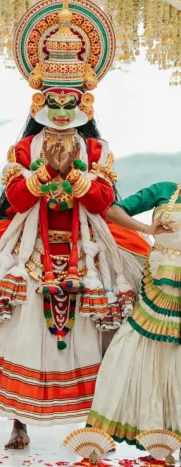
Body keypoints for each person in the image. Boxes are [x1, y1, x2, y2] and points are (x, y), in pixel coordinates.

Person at [0, 0, 149, 449]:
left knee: (92, 333)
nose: (62, 111)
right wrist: (44, 174)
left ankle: (96, 422)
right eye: (54, 102)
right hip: (29, 249)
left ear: (84, 101)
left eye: (70, 102)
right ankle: (18, 421)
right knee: (18, 332)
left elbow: (102, 202)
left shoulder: (97, 150)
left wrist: (77, 177)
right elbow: (15, 198)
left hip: (88, 250)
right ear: (40, 100)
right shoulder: (24, 150)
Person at [87, 183, 181, 448]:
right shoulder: (165, 190)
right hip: (157, 285)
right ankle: (154, 432)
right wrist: (147, 229)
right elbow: (112, 211)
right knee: (129, 349)